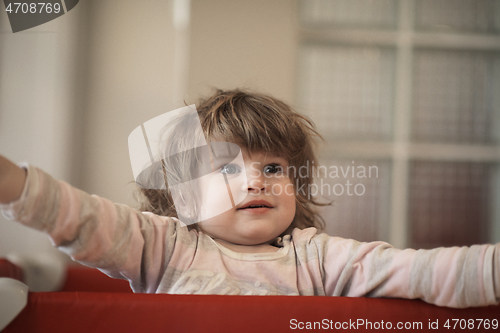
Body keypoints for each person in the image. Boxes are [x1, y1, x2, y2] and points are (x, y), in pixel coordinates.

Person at [0, 89, 498, 307]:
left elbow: (417, 271)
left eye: (274, 167)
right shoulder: (165, 247)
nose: (256, 181)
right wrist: (14, 184)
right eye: (227, 167)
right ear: (180, 195)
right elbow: (84, 220)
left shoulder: (316, 258)